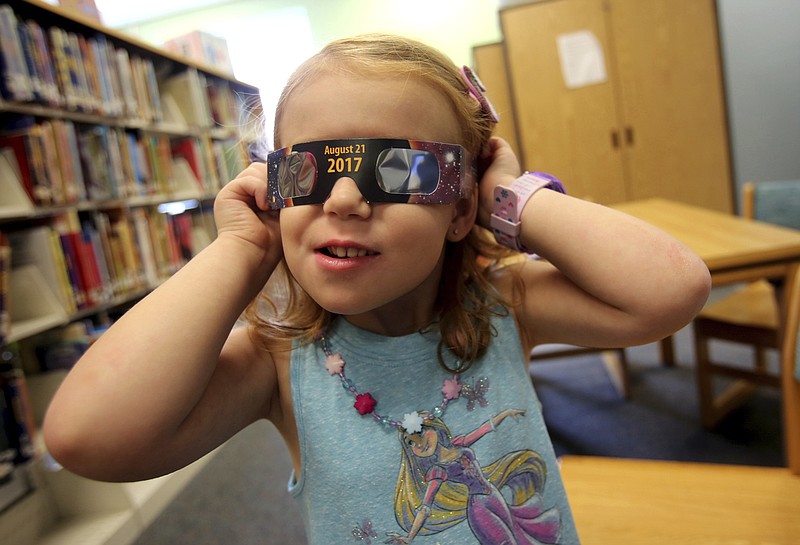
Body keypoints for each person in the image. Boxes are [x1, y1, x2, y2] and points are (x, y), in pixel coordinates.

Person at [43, 34, 711, 544]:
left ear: (460, 207)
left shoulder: (502, 306)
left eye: (396, 169)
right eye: (307, 169)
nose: (343, 198)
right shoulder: (278, 362)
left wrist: (511, 198)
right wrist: (241, 251)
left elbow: (672, 289)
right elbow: (85, 436)